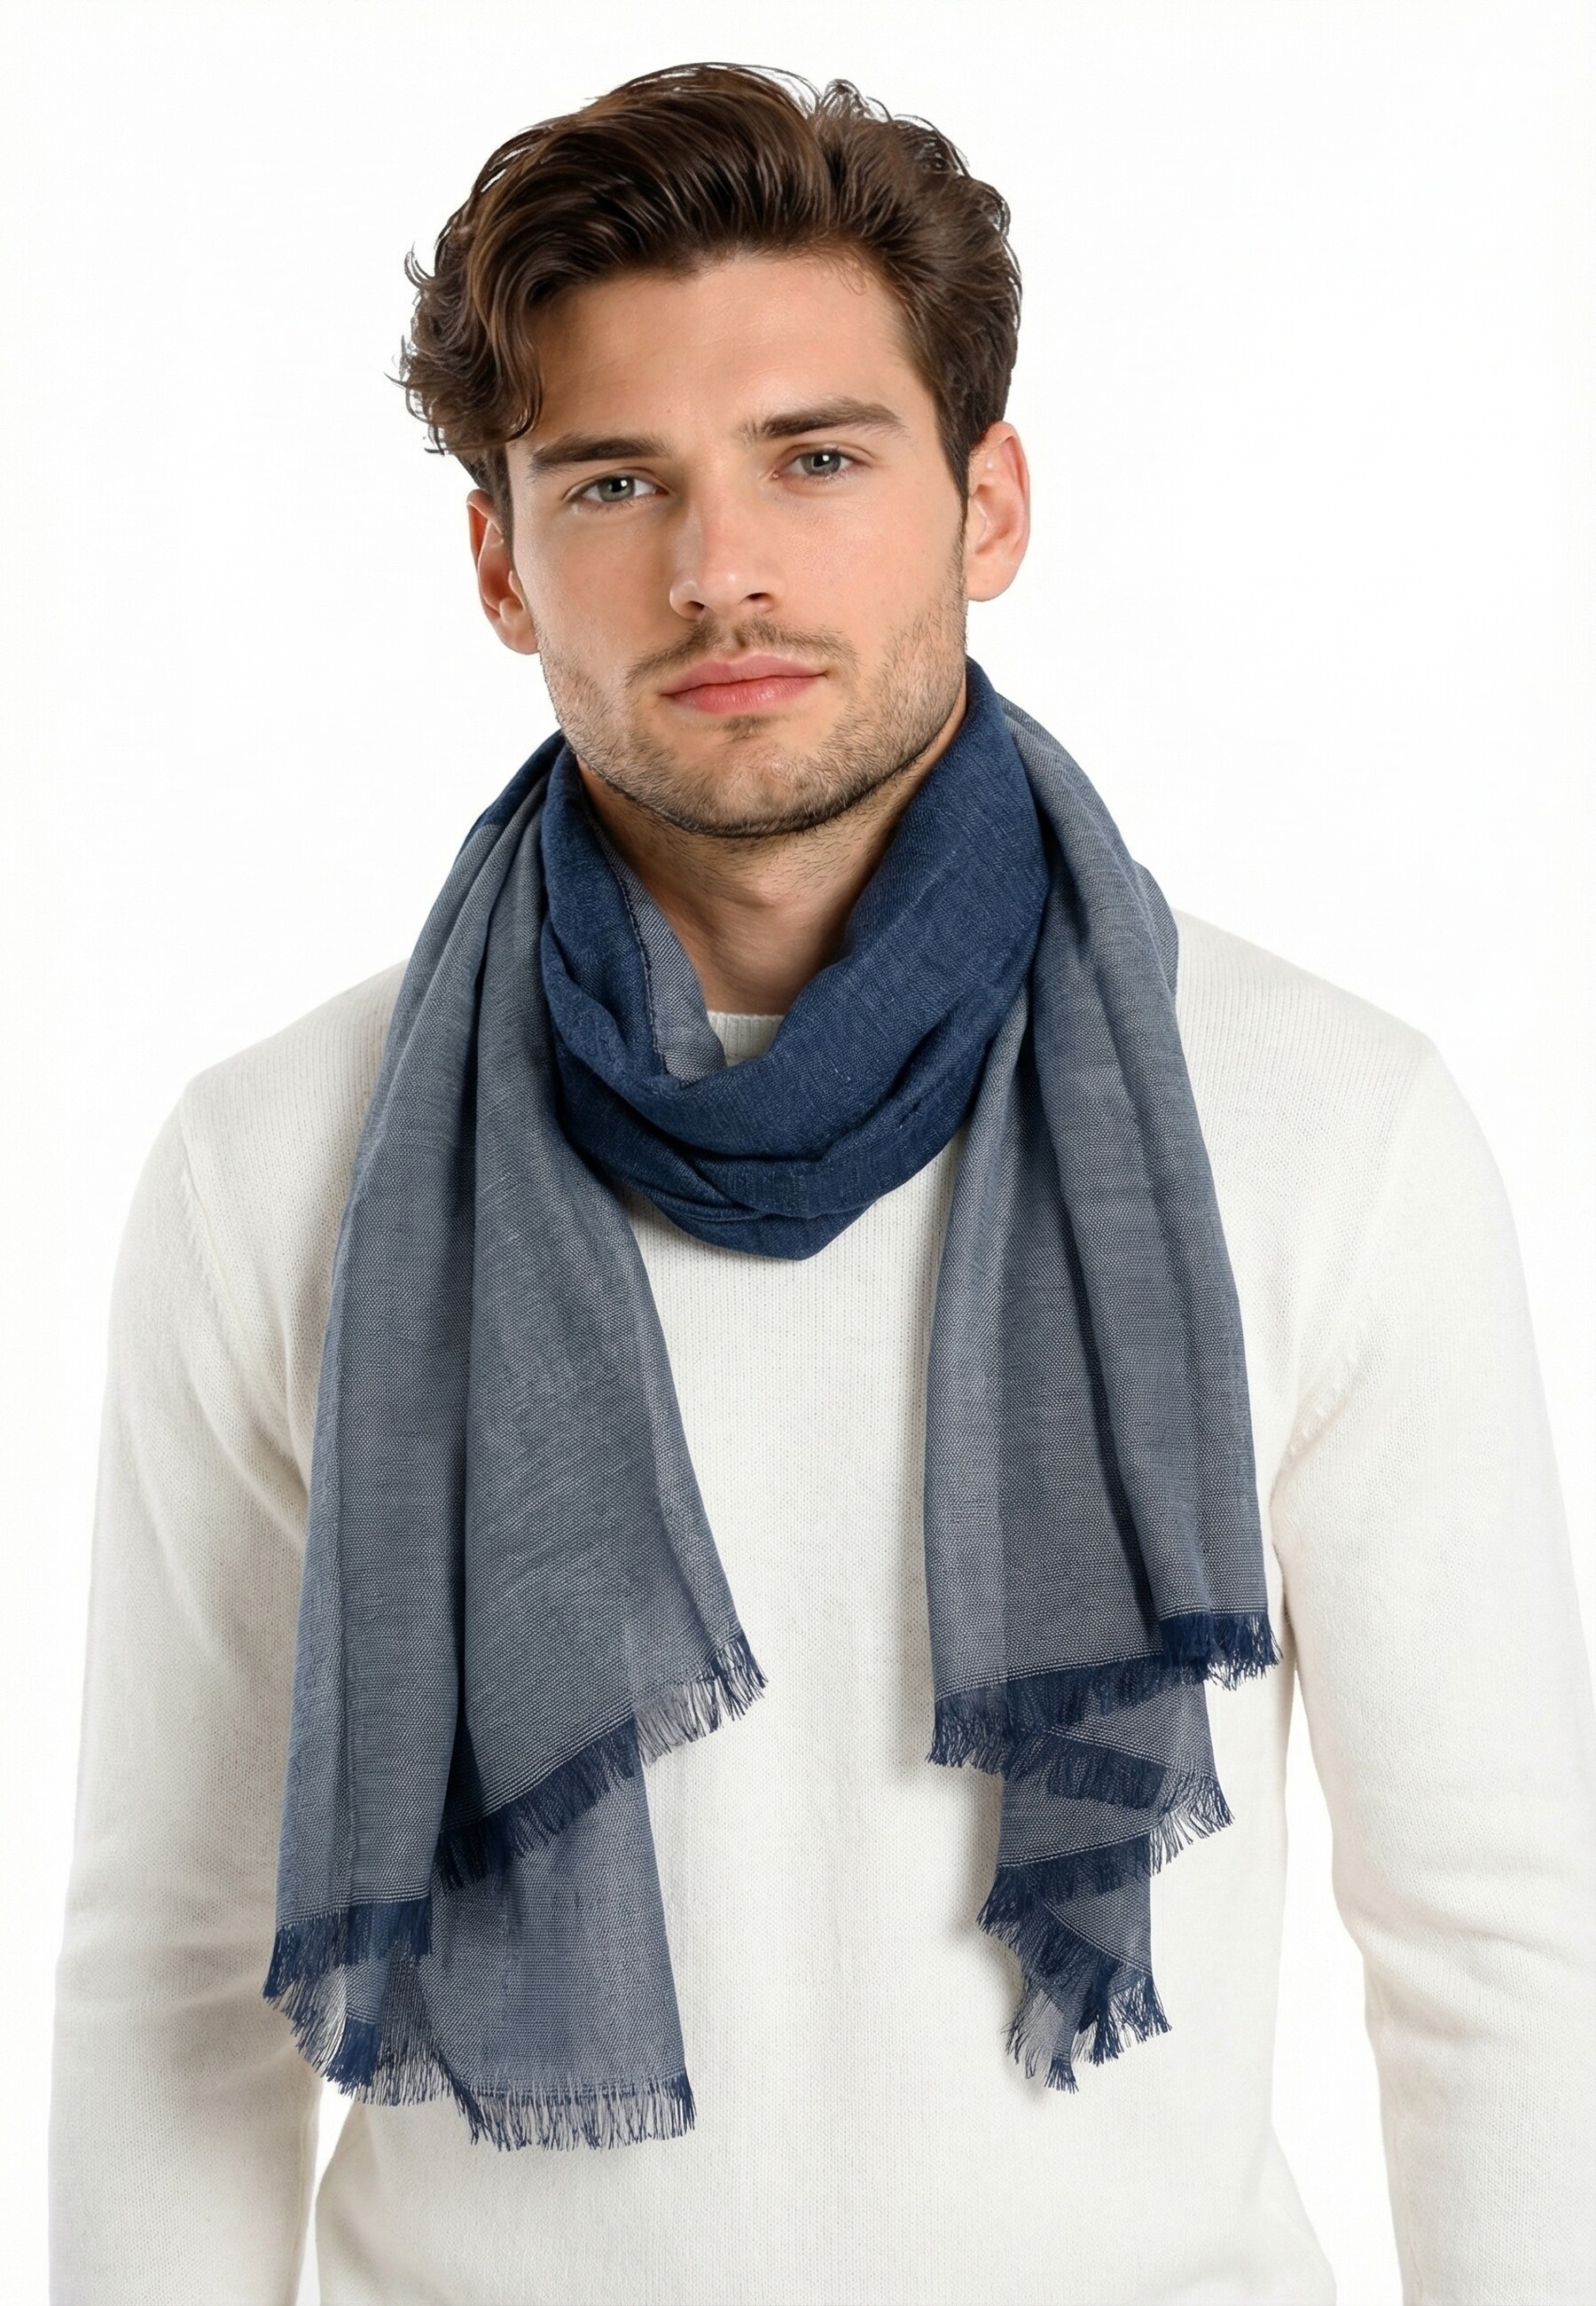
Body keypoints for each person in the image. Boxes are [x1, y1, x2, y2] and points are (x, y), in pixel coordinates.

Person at [48, 59, 1595, 2306]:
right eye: (615, 482)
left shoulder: (1321, 1124)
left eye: (820, 457)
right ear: (499, 564)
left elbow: (1499, 1946)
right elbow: (172, 1978)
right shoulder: (279, 1160)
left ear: (991, 504)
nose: (722, 571)